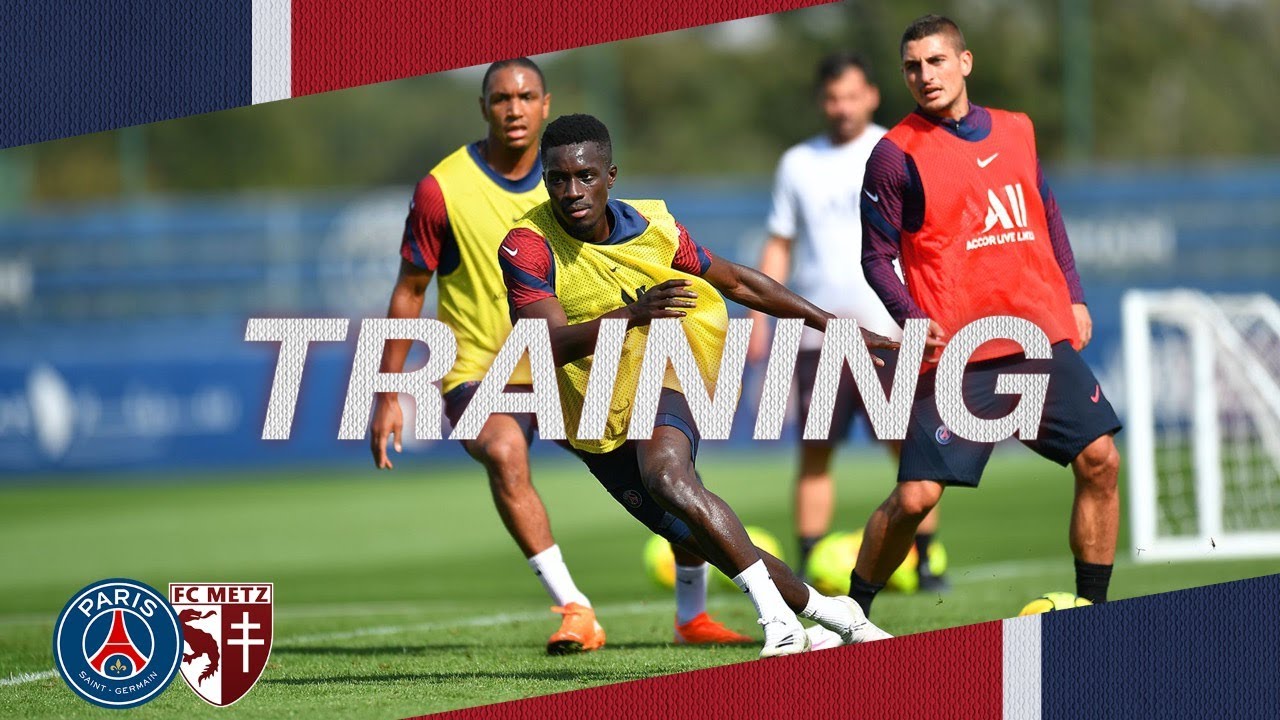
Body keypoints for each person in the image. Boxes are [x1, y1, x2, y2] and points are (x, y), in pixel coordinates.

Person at [369, 59, 750, 655]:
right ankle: (575, 608)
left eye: (525, 97)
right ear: (484, 107)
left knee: (667, 481)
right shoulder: (441, 190)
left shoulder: (575, 179)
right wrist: (387, 390)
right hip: (482, 369)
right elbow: (410, 289)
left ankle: (691, 613)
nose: (513, 108)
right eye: (501, 98)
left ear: (545, 106)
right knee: (501, 448)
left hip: (574, 367)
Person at [499, 113, 898, 657]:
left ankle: (777, 622)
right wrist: (633, 314)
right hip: (591, 406)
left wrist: (837, 329)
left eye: (585, 176)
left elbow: (736, 281)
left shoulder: (653, 230)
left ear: (610, 175)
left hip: (673, 360)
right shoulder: (527, 245)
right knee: (703, 539)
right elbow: (544, 342)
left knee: (665, 473)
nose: (572, 191)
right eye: (558, 179)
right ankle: (834, 613)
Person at [850, 15, 1121, 618]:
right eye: (913, 66)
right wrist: (913, 317)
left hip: (1038, 334)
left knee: (1101, 459)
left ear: (964, 62)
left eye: (937, 61)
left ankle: (1094, 607)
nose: (925, 76)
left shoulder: (1018, 129)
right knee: (916, 498)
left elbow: (1046, 213)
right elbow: (875, 258)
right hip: (961, 355)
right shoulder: (895, 155)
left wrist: (1072, 296)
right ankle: (849, 612)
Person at [749, 51, 946, 591]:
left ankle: (926, 561)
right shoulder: (798, 163)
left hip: (891, 333)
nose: (842, 107)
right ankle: (810, 565)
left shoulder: (902, 149)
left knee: (909, 450)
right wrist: (760, 322)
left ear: (872, 97)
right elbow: (779, 244)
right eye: (833, 98)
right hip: (818, 336)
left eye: (852, 96)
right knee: (815, 453)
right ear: (822, 101)